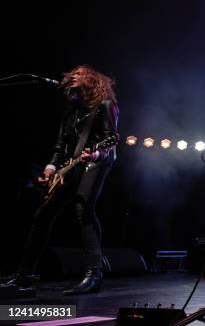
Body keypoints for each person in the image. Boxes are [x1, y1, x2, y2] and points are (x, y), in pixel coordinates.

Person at [2, 65, 119, 296]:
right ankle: (24, 275)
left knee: (83, 209)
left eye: (78, 74)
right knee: (43, 214)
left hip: (97, 161)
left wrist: (94, 153)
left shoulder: (105, 105)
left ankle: (93, 273)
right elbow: (60, 145)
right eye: (71, 75)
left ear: (91, 80)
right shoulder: (72, 109)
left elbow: (111, 140)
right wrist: (50, 168)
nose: (72, 77)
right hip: (70, 165)